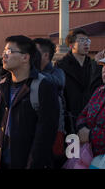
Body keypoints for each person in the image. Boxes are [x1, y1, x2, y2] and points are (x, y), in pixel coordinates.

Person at [0, 35, 59, 169]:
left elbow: (45, 136)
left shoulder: (43, 87)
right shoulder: (0, 86)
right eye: (4, 52)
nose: (4, 55)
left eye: (9, 52)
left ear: (25, 57)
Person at [55, 29, 101, 134]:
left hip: (90, 118)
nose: (86, 43)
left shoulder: (93, 66)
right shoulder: (61, 65)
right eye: (81, 40)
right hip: (69, 119)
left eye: (87, 40)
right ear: (71, 45)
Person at [34, 38, 66, 167]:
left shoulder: (57, 73)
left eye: (34, 51)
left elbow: (57, 83)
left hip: (54, 131)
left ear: (46, 55)